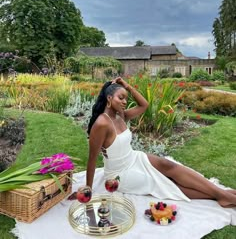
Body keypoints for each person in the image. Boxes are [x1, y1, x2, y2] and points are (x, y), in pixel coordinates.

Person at [86, 77, 236, 207]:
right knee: (165, 182)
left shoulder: (121, 116)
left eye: (126, 98)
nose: (125, 102)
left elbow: (144, 105)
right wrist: (88, 189)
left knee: (168, 165)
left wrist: (127, 86)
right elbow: (92, 159)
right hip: (119, 174)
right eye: (121, 98)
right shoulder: (101, 124)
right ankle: (223, 196)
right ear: (109, 98)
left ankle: (220, 193)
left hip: (134, 158)